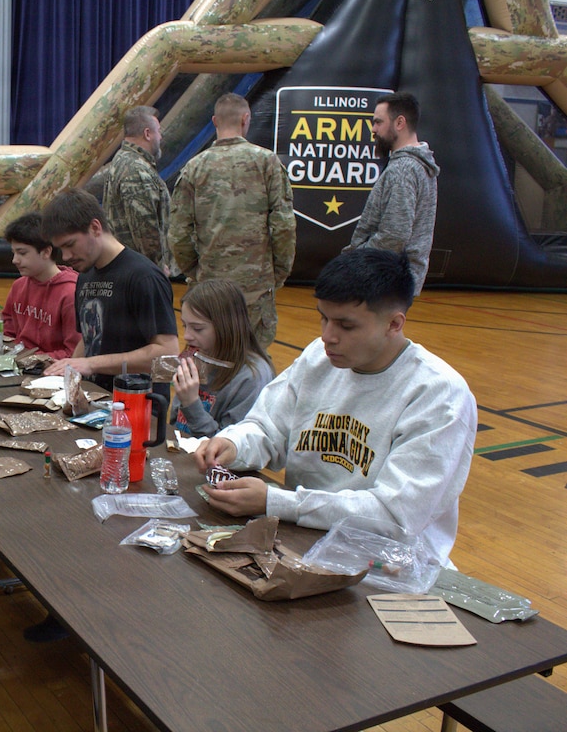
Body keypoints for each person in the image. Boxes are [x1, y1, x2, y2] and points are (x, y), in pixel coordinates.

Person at [193, 249, 477, 566]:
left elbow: (394, 516)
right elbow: (267, 428)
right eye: (324, 318)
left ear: (394, 324)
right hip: (305, 541)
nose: (328, 336)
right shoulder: (319, 358)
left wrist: (278, 502)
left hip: (394, 568)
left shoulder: (439, 393)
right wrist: (233, 443)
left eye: (346, 325)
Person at [169, 92, 296, 349]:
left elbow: (178, 233)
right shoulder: (267, 162)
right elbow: (284, 226)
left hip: (210, 289)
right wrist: (278, 272)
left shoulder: (194, 168)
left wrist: (195, 271)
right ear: (246, 119)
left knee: (211, 359)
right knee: (253, 360)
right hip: (255, 290)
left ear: (215, 121)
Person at [43, 188, 178, 392]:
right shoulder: (85, 275)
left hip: (137, 406)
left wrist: (91, 364)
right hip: (94, 401)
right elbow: (88, 341)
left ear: (95, 228)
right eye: (61, 249)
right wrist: (67, 373)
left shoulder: (144, 277)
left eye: (70, 244)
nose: (66, 256)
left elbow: (168, 355)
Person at [345, 91, 439, 295]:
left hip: (384, 280)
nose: (373, 129)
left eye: (378, 122)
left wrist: (354, 259)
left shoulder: (404, 169)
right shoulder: (420, 164)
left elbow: (394, 235)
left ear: (400, 123)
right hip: (396, 280)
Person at [171, 279, 275, 438]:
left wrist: (191, 403)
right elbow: (175, 424)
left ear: (226, 326)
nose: (187, 336)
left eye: (198, 328)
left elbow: (229, 448)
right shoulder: (197, 356)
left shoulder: (252, 378)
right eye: (185, 325)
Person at [102, 105, 172, 273]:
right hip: (141, 274)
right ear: (147, 134)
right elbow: (145, 231)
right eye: (159, 131)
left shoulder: (121, 160)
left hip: (127, 269)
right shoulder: (136, 170)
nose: (161, 137)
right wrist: (158, 268)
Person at [1, 211, 80, 359]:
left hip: (51, 373)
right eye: (13, 252)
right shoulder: (19, 285)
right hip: (20, 364)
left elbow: (74, 354)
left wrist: (29, 359)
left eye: (22, 253)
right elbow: (7, 332)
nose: (14, 260)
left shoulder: (71, 293)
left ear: (46, 252)